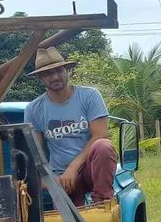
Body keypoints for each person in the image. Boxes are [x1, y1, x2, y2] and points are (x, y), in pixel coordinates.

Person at [24, 48, 116, 205]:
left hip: (90, 171)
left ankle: (102, 202)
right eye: (47, 73)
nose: (55, 77)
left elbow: (100, 134)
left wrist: (73, 168)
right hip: (62, 180)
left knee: (103, 146)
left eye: (59, 70)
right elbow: (36, 153)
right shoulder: (34, 109)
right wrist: (46, 180)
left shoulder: (89, 96)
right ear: (40, 77)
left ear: (67, 70)